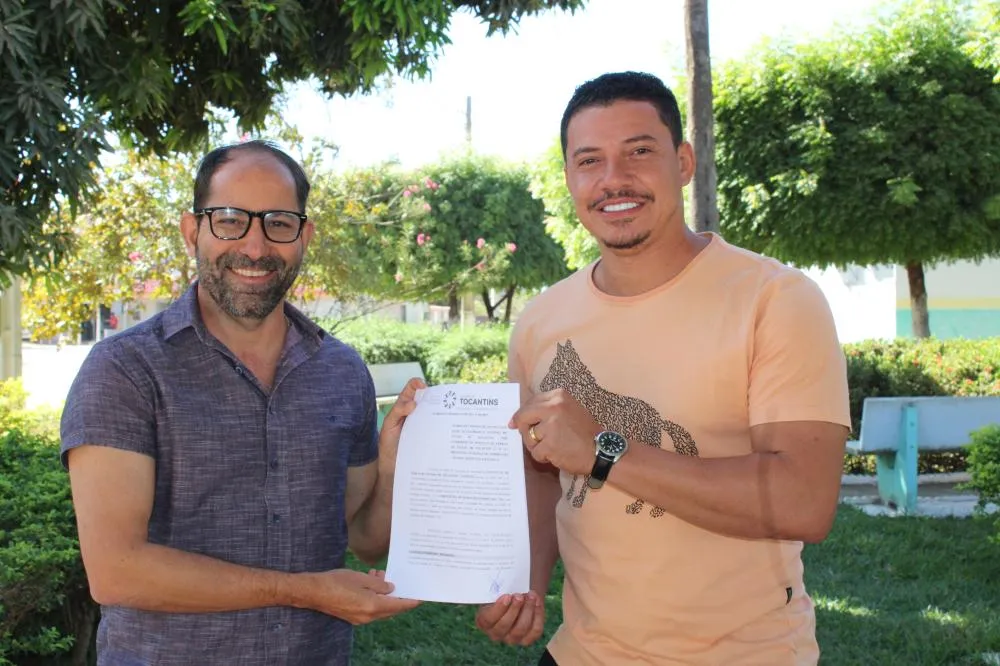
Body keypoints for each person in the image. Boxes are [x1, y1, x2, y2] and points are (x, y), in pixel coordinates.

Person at [475, 71, 851, 665]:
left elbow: (805, 501)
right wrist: (524, 576)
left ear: (683, 161)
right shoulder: (541, 320)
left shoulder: (775, 299)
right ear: (570, 176)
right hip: (582, 653)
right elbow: (541, 472)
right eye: (589, 160)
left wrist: (604, 450)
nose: (613, 180)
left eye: (639, 152)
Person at [60, 139, 421, 666]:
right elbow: (116, 570)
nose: (255, 247)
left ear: (304, 236)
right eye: (230, 219)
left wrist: (391, 464)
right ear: (193, 231)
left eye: (278, 222)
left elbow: (364, 539)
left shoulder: (342, 372)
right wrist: (304, 590)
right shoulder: (125, 371)